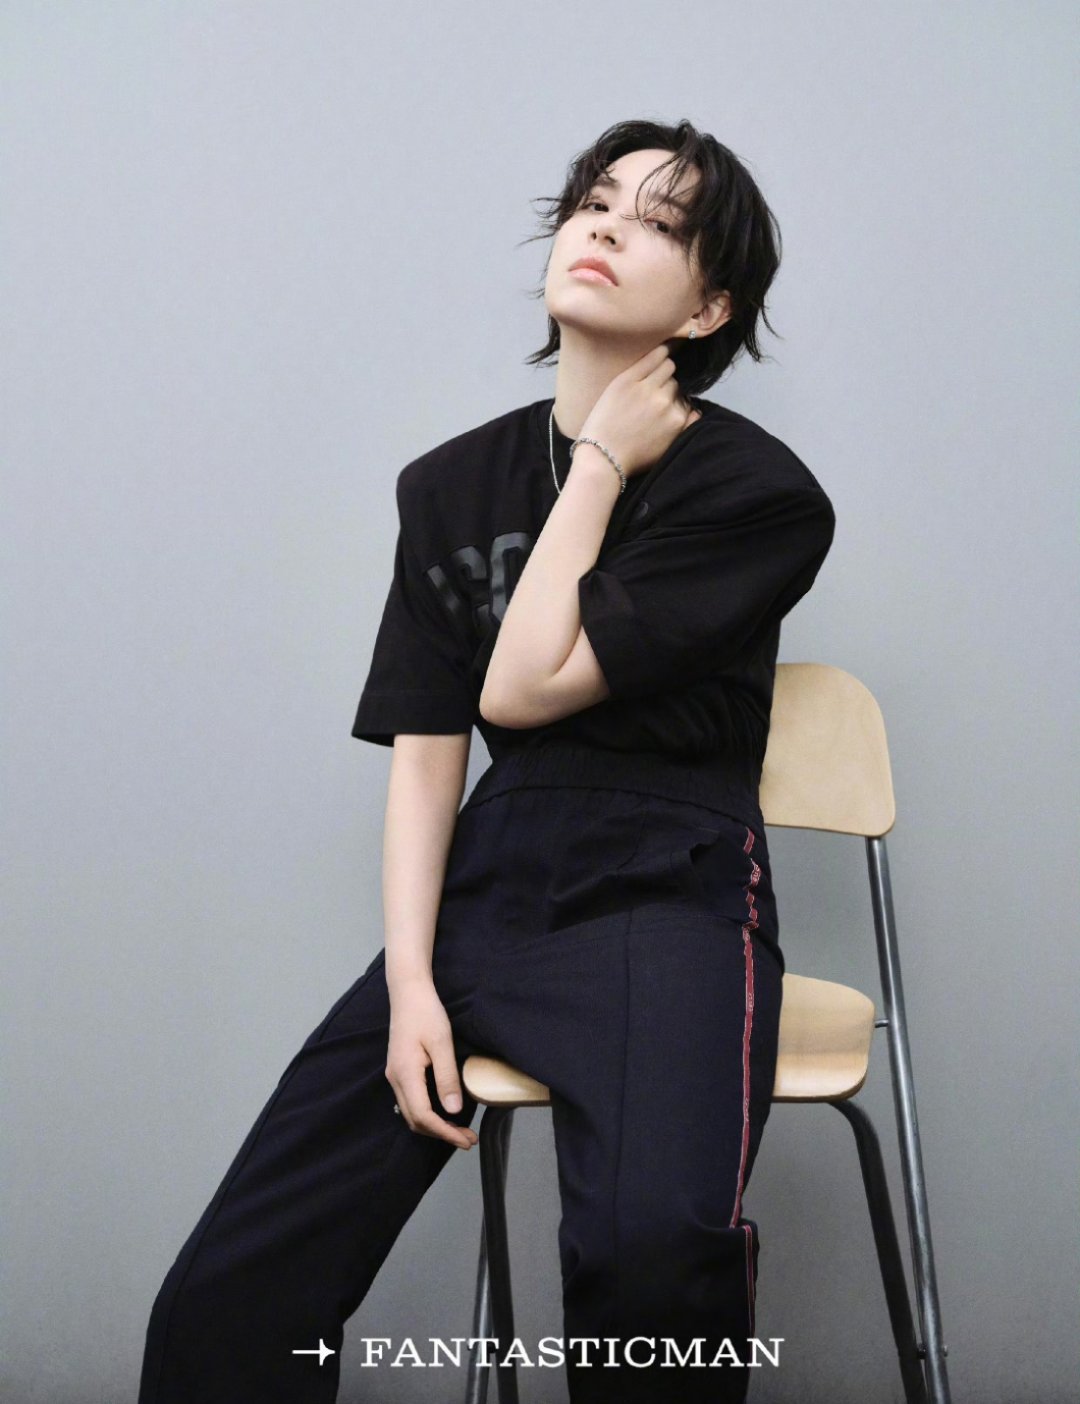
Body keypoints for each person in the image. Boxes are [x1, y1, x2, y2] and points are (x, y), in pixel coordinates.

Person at [137, 117, 837, 1404]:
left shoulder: (757, 493)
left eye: (661, 222)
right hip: (486, 890)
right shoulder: (447, 486)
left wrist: (602, 463)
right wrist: (413, 983)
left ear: (710, 308)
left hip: (667, 887)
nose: (607, 225)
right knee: (230, 1290)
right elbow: (428, 759)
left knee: (648, 1256)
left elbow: (518, 688)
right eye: (594, 201)